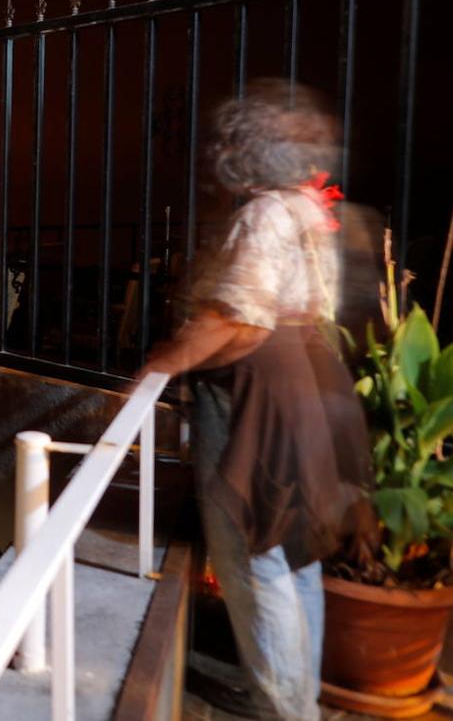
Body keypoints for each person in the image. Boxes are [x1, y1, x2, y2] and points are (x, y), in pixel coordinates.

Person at [138, 80, 372, 721]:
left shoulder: (264, 214)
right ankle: (297, 699)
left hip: (259, 397)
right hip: (310, 384)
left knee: (252, 555)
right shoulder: (308, 207)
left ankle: (281, 708)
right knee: (293, 549)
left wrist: (161, 364)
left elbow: (240, 322)